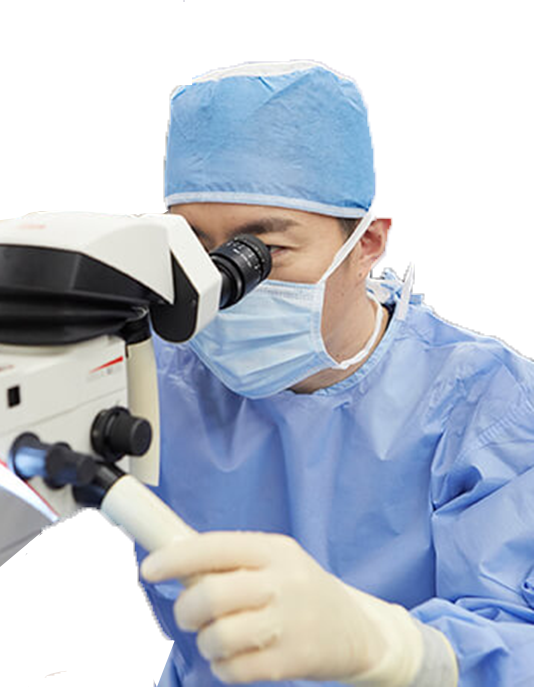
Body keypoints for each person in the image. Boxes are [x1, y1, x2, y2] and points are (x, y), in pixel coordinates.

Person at [132, 61, 534, 686]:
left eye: (261, 253)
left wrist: (392, 650)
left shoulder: (485, 405)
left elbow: (519, 639)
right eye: (198, 249)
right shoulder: (153, 371)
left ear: (368, 243)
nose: (221, 287)